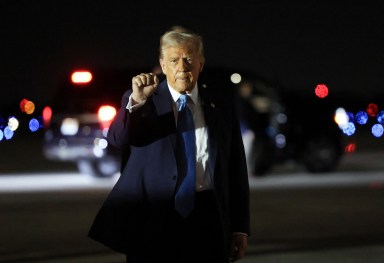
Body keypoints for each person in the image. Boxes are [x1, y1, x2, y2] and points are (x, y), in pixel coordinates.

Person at [88, 25, 250, 263]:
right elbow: (116, 140)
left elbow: (236, 169)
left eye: (188, 59)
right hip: (153, 219)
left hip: (208, 217)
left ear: (200, 63)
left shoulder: (221, 105)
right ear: (163, 66)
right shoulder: (142, 101)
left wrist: (240, 227)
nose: (182, 67)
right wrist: (136, 103)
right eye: (174, 60)